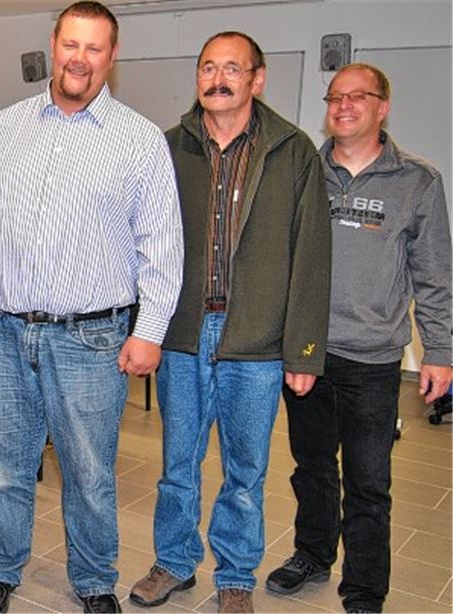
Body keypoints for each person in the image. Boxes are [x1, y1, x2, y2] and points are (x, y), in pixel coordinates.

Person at [0, 2, 183, 612]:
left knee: (89, 474)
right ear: (52, 45)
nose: (79, 59)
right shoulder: (0, 131)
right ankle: (0, 569)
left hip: (91, 339)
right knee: (5, 468)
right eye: (70, 44)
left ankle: (93, 581)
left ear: (111, 58)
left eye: (94, 48)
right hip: (3, 332)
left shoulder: (138, 141)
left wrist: (150, 331)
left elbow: (162, 246)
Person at [128, 32, 331, 614]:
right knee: (177, 463)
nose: (218, 78)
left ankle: (236, 573)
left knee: (245, 469)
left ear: (256, 79)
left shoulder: (293, 151)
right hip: (183, 335)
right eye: (208, 68)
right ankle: (173, 563)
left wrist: (304, 352)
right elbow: (142, 244)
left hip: (257, 344)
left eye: (232, 69)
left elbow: (311, 256)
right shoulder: (168, 148)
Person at [264, 63, 451, 613]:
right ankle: (313, 553)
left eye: (358, 96)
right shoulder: (304, 172)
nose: (343, 106)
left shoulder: (417, 181)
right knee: (311, 466)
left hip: (373, 358)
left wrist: (439, 350)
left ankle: (365, 585)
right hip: (306, 351)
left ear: (382, 106)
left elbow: (434, 274)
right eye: (335, 97)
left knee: (370, 480)